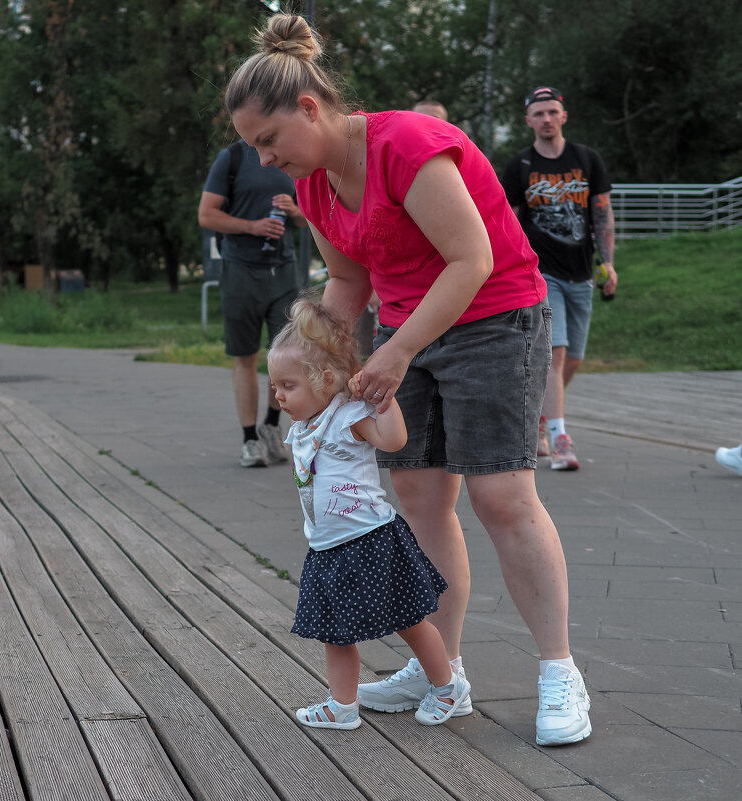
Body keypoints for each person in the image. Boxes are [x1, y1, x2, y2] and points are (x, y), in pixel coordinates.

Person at [225, 13, 591, 746]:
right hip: (406, 329)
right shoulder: (319, 188)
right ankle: (442, 673)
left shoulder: (406, 144)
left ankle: (558, 670)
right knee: (420, 493)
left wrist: (392, 353)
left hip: (494, 317)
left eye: (269, 141)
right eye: (252, 149)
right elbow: (348, 282)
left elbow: (471, 260)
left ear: (307, 107)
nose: (266, 161)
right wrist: (310, 369)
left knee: (500, 494)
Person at [268, 296, 469, 730]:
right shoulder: (304, 426)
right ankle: (342, 706)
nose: (278, 395)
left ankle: (448, 685)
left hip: (372, 540)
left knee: (409, 621)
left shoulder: (348, 415)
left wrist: (383, 400)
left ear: (324, 380)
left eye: (287, 386)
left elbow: (394, 441)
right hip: (326, 547)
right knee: (333, 631)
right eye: (275, 387)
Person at [501, 87, 618, 471]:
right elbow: (510, 222)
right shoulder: (520, 166)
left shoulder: (586, 159)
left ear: (563, 116)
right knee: (556, 353)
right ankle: (560, 439)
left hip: (582, 272)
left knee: (574, 359)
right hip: (541, 272)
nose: (546, 119)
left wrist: (609, 263)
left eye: (552, 112)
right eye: (539, 113)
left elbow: (602, 216)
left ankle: (537, 417)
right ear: (528, 121)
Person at [199, 139, 307, 468]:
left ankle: (272, 427)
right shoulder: (231, 157)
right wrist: (252, 226)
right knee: (246, 356)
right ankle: (249, 438)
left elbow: (309, 218)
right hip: (242, 270)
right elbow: (207, 215)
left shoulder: (293, 153)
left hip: (284, 271)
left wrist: (294, 211)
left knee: (287, 355)